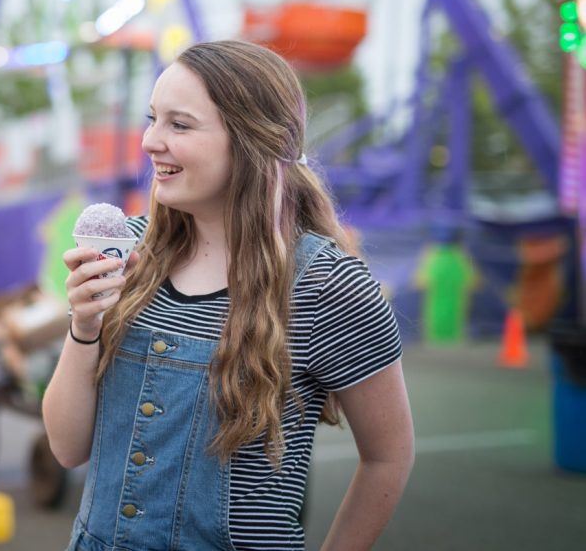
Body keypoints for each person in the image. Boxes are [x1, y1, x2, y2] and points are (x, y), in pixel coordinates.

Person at [42, 40, 414, 551]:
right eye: (152, 119)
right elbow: (66, 449)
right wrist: (82, 327)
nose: (151, 141)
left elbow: (388, 457)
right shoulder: (131, 254)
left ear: (251, 140)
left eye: (180, 124)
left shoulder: (329, 286)